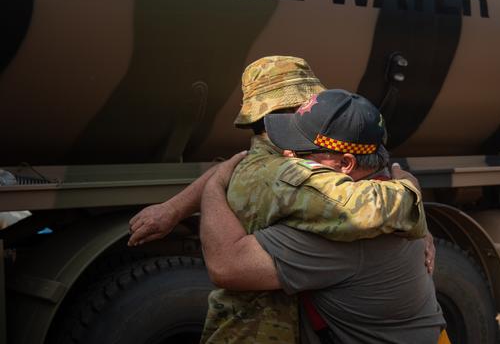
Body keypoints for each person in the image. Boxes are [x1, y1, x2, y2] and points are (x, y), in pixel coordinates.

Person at [127, 57, 433, 343]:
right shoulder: (286, 172)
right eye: (306, 109)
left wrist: (174, 208)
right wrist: (409, 194)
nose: (311, 114)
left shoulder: (264, 165)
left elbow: (366, 198)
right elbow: (380, 204)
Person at [198, 89, 445, 343]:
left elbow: (225, 265)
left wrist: (214, 186)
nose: (287, 154)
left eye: (301, 152)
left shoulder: (344, 228)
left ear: (345, 164)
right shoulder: (389, 190)